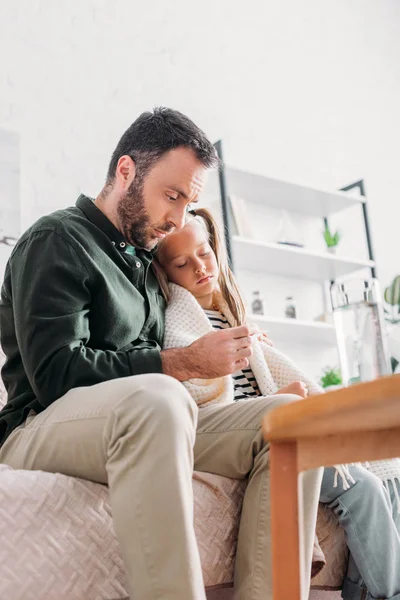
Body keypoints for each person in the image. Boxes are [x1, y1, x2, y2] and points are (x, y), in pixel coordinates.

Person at [0, 107, 322, 600]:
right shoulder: (56, 240)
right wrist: (187, 362)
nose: (177, 218)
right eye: (171, 196)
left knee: (291, 423)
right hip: (39, 426)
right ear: (125, 171)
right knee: (160, 398)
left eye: (187, 202)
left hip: (143, 422)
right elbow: (55, 374)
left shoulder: (147, 265)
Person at [155, 206, 400, 600]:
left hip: (276, 419)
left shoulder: (228, 313)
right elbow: (204, 397)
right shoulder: (180, 322)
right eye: (182, 263)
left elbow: (263, 372)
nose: (200, 267)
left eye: (204, 252)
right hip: (255, 433)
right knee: (364, 488)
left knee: (385, 471)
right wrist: (278, 403)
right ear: (166, 274)